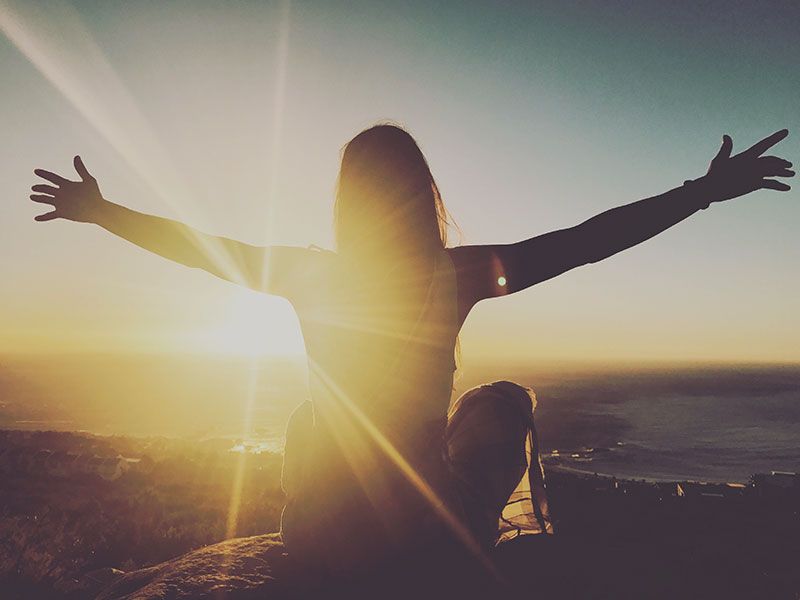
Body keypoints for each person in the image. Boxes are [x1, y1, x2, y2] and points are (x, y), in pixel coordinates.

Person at [30, 125, 793, 575]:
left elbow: (199, 249)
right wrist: (699, 191)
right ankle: (518, 534)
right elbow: (584, 243)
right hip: (418, 540)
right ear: (421, 195)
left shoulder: (308, 274)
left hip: (318, 537)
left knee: (306, 417)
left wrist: (101, 213)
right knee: (507, 402)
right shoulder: (454, 276)